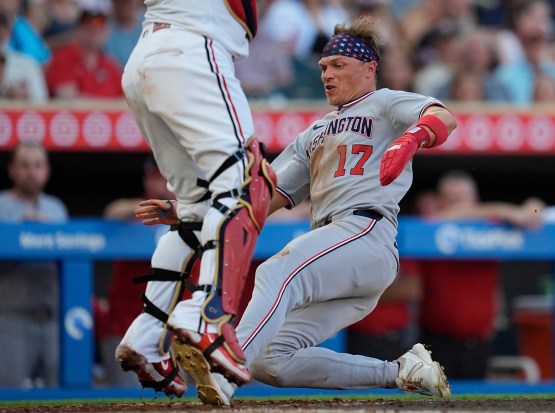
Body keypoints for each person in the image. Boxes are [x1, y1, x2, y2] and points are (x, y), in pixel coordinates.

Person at [135, 15, 457, 406]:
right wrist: (189, 210)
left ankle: (224, 371)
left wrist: (411, 138)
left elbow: (443, 116)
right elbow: (258, 199)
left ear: (369, 68)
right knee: (270, 363)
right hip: (340, 254)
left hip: (365, 232)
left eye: (339, 65)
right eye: (323, 67)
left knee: (276, 269)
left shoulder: (384, 101)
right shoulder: (314, 132)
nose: (327, 75)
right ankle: (403, 371)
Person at [113, 0, 277, 400]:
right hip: (194, 46)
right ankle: (208, 315)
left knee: (196, 210)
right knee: (246, 182)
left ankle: (149, 334)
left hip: (147, 56)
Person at [416, 169, 547, 379]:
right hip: (436, 342)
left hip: (479, 344)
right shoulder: (431, 225)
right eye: (450, 198)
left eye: (462, 198)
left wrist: (533, 206)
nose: (457, 203)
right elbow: (448, 216)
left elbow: (532, 213)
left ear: (474, 200)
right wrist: (505, 210)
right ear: (440, 201)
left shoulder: (490, 227)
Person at [99, 155, 174, 387]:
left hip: (173, 331)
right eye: (157, 178)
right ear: (147, 181)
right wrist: (152, 207)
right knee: (127, 398)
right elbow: (111, 212)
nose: (163, 184)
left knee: (183, 399)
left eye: (168, 178)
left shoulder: (192, 212)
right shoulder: (136, 210)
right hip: (127, 326)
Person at [0, 141, 69, 387]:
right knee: (10, 395)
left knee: (60, 395)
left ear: (47, 171)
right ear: (12, 170)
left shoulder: (56, 208)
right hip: (11, 316)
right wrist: (21, 232)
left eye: (38, 165)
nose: (32, 171)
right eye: (25, 165)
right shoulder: (2, 206)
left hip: (52, 317)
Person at [45, 6, 123, 99]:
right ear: (78, 30)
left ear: (106, 32)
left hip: (109, 113)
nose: (94, 32)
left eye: (99, 28)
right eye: (88, 27)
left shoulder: (110, 65)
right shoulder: (63, 58)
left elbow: (124, 100)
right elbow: (67, 99)